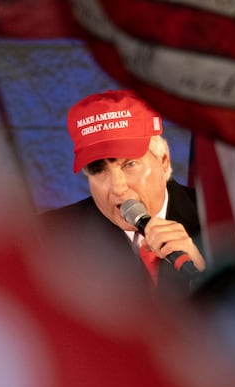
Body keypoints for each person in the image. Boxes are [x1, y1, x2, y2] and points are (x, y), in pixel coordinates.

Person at [42, 89, 205, 295]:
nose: (118, 187)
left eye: (130, 164)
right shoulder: (51, 237)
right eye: (98, 170)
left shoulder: (222, 220)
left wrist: (203, 273)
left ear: (163, 161)